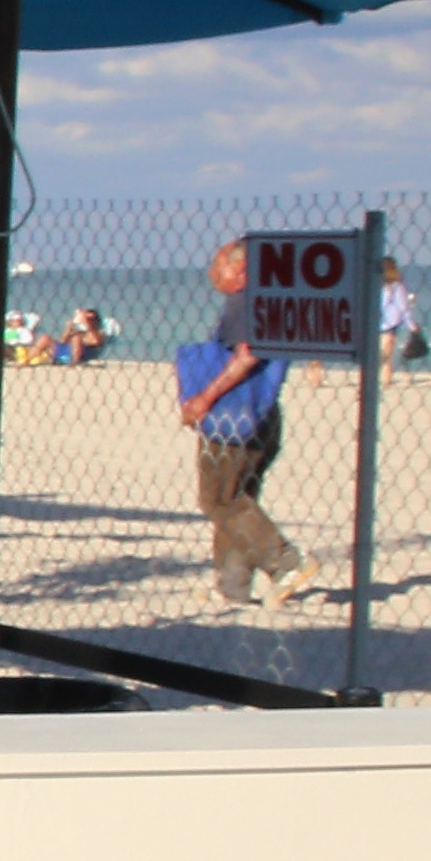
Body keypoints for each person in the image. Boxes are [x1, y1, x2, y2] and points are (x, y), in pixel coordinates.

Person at [178, 240, 310, 603]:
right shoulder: (273, 299)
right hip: (263, 413)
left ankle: (285, 562)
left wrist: (205, 397)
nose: (212, 273)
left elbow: (248, 354)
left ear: (241, 270)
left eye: (218, 265)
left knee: (219, 500)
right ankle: (232, 585)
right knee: (239, 499)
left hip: (234, 414)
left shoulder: (245, 301)